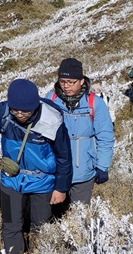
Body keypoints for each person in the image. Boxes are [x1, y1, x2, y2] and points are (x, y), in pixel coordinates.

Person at [0, 78, 72, 254]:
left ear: (35, 105)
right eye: (15, 110)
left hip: (43, 182)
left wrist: (61, 188)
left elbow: (64, 157)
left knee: (41, 227)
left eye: (25, 111)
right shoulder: (1, 112)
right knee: (11, 226)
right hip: (11, 181)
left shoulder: (52, 119)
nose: (19, 115)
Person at [46, 57, 114, 211]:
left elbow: (105, 136)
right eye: (63, 81)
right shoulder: (50, 100)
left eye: (71, 82)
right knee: (54, 217)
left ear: (82, 81)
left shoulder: (95, 103)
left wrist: (102, 166)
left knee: (79, 214)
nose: (66, 86)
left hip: (83, 172)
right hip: (55, 170)